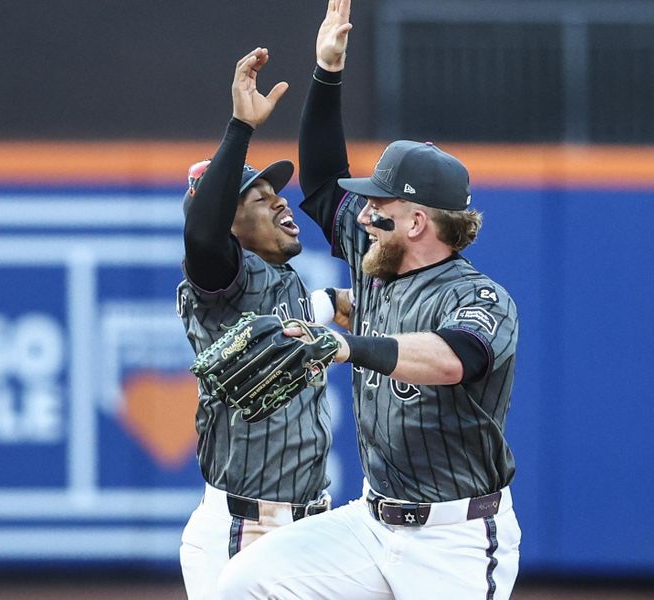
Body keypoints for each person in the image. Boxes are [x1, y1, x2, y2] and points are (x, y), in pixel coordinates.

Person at [216, 1, 522, 598]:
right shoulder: (376, 252)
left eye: (380, 204)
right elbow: (326, 178)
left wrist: (343, 344)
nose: (365, 212)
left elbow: (451, 358)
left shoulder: (481, 297)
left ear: (416, 223)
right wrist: (327, 73)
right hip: (372, 523)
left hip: (454, 541)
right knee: (245, 585)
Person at [177, 47, 342, 600]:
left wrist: (343, 303)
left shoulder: (285, 281)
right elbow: (202, 237)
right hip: (244, 529)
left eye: (278, 193)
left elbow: (314, 312)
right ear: (229, 220)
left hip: (311, 523)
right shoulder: (221, 278)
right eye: (260, 198)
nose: (282, 203)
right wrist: (241, 127)